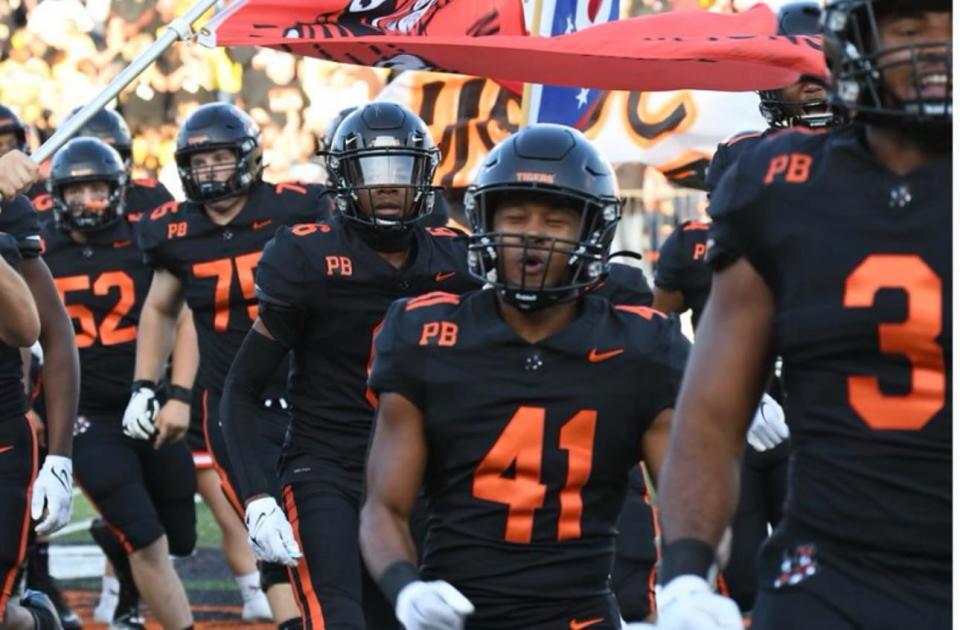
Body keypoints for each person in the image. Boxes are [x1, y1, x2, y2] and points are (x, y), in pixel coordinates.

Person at [654, 1, 951, 629]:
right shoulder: (782, 182)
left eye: (954, 27)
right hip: (829, 564)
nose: (937, 48)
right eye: (909, 28)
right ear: (851, 48)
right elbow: (711, 410)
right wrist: (685, 573)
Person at [357, 123, 690, 629]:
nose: (532, 234)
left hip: (581, 614)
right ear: (484, 222)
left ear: (591, 232)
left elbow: (689, 499)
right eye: (515, 216)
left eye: (556, 221)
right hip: (458, 609)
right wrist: (407, 591)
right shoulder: (425, 334)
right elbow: (383, 506)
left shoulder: (641, 347)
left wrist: (690, 584)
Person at [220, 102, 477, 630]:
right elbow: (242, 388)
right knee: (338, 617)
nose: (387, 186)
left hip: (417, 474)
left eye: (400, 170)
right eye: (372, 171)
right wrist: (258, 496)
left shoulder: (456, 261)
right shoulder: (308, 257)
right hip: (327, 468)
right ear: (342, 178)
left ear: (423, 175)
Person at [129, 102, 330, 629]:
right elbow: (159, 307)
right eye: (199, 161)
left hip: (311, 391)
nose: (209, 171)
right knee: (266, 527)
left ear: (247, 157)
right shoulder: (173, 230)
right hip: (232, 403)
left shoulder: (299, 206)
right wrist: (145, 386)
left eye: (219, 158)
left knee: (326, 519)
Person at [40, 137, 197, 630]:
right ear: (56, 195)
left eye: (97, 188)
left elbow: (184, 315)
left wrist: (177, 394)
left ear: (120, 189)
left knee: (181, 535)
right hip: (83, 412)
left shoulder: (147, 238)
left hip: (145, 396)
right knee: (146, 535)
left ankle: (114, 541)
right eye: (75, 190)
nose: (87, 201)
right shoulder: (38, 248)